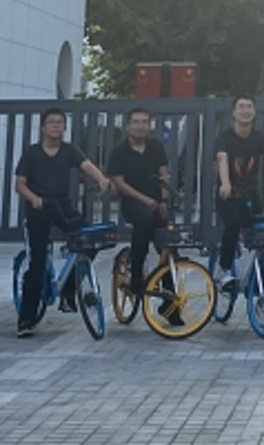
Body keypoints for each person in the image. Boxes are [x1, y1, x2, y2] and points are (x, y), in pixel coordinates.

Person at [13, 107, 109, 338]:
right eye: (51, 122)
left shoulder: (69, 150)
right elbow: (20, 185)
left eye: (60, 122)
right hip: (38, 207)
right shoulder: (32, 153)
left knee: (90, 240)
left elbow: (87, 166)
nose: (56, 125)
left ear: (64, 127)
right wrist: (33, 198)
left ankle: (68, 289)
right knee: (37, 262)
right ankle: (26, 319)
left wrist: (101, 179)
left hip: (62, 205)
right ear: (43, 127)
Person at [106, 107, 171, 303]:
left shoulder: (156, 147)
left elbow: (164, 175)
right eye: (136, 122)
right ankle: (136, 275)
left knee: (168, 246)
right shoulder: (119, 152)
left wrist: (164, 199)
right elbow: (119, 183)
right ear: (128, 126)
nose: (140, 126)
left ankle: (170, 300)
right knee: (144, 219)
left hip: (157, 202)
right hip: (133, 203)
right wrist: (145, 200)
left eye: (144, 122)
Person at [213, 94, 264, 287]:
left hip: (250, 193)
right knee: (233, 224)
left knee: (259, 235)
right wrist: (225, 183)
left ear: (255, 112)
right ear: (233, 112)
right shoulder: (225, 137)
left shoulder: (259, 137)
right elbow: (222, 158)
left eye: (249, 106)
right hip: (229, 193)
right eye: (241, 107)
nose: (245, 110)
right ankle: (223, 270)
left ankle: (259, 286)